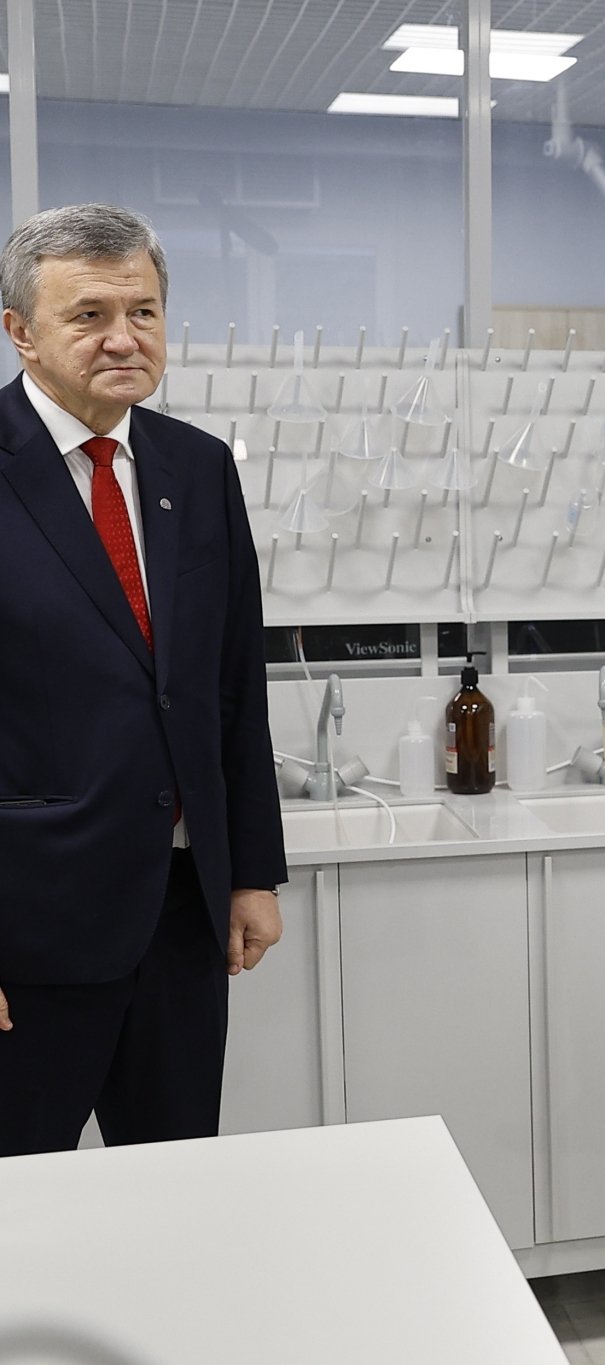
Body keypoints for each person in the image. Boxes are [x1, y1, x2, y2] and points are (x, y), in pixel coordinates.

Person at [0, 203, 286, 1155]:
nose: (123, 338)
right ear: (21, 331)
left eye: (144, 312)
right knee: (21, 1206)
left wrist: (250, 871)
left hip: (181, 918)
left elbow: (232, 685)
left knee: (175, 1187)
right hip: (29, 925)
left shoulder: (197, 466)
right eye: (89, 315)